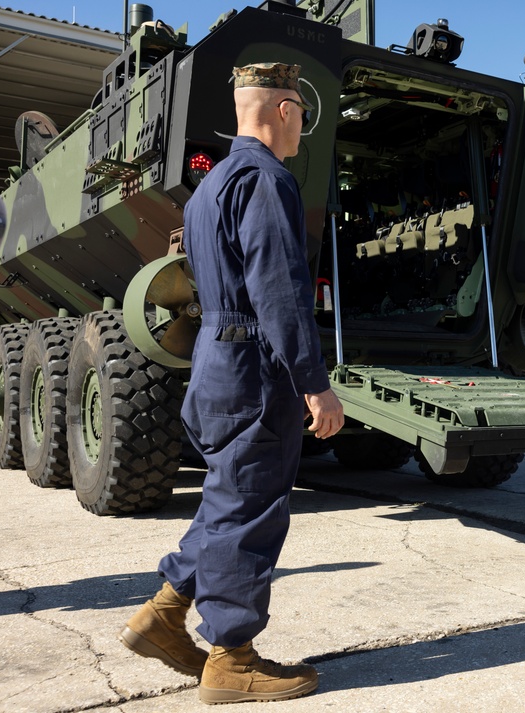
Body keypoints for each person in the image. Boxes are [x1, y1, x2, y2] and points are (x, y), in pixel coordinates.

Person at [119, 62, 345, 704]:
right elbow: (279, 289)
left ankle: (162, 616)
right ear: (282, 109)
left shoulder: (211, 185)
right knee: (251, 509)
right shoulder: (268, 180)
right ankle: (231, 660)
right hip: (254, 364)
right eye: (301, 110)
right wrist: (314, 382)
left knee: (227, 499)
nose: (302, 123)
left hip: (216, 361)